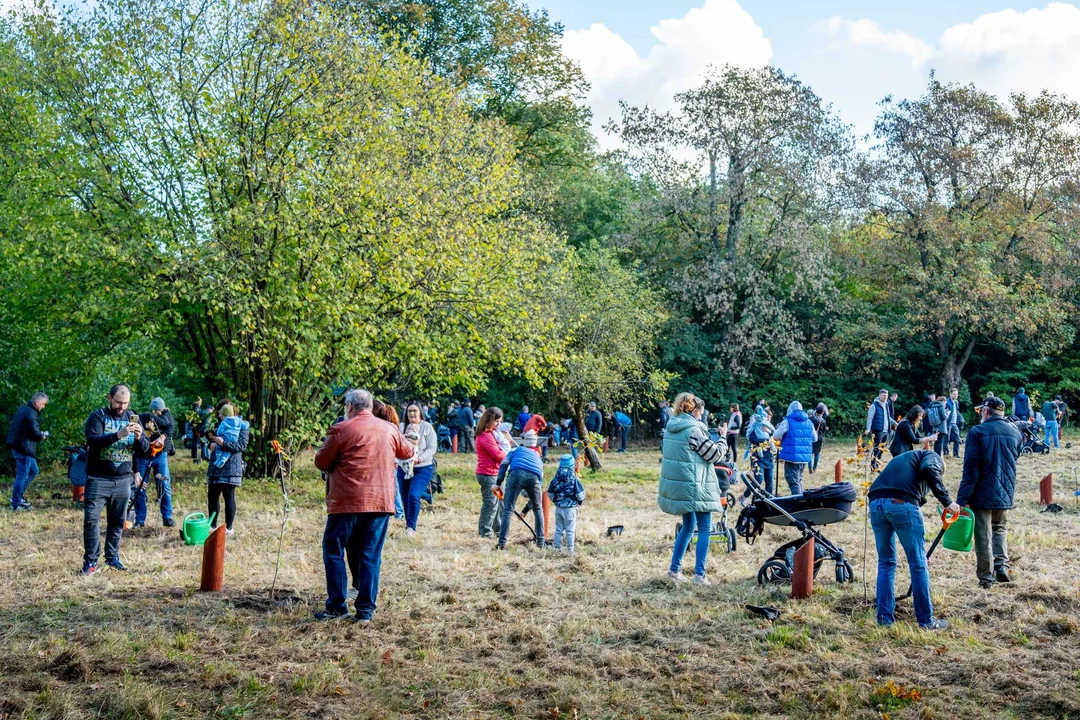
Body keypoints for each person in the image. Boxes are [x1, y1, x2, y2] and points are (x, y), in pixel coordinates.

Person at [314, 389, 413, 622]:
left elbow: (321, 461)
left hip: (347, 502)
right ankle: (366, 611)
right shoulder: (389, 429)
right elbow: (407, 451)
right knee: (370, 555)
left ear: (349, 406)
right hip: (380, 502)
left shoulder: (341, 429)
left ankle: (337, 606)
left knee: (334, 550)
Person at [868, 450, 959, 630]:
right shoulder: (932, 458)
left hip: (876, 503)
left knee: (886, 562)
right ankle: (926, 622)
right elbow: (929, 470)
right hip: (900, 503)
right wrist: (947, 501)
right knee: (918, 565)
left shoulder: (906, 459)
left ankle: (884, 620)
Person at [659, 393, 728, 586]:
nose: (701, 417)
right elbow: (714, 455)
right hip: (695, 485)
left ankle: (674, 569)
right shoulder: (693, 430)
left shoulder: (671, 427)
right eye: (701, 413)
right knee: (705, 527)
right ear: (693, 410)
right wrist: (723, 438)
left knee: (688, 526)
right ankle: (700, 575)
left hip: (681, 486)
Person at [82, 385, 149, 574]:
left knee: (117, 522)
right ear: (109, 398)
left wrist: (139, 437)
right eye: (118, 403)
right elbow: (93, 441)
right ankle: (91, 562)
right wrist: (119, 434)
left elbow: (144, 449)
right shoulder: (97, 417)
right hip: (98, 478)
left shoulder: (132, 417)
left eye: (125, 404)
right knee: (91, 521)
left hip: (123, 480)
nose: (122, 407)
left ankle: (112, 558)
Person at [956, 396, 1021, 589]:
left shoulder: (977, 432)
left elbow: (971, 469)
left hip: (981, 492)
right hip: (1005, 491)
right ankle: (1001, 565)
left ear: (986, 411)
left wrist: (962, 499)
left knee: (983, 534)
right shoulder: (1015, 433)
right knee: (999, 528)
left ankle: (986, 578)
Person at [496, 430, 545, 549]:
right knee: (538, 509)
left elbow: (504, 464)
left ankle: (502, 544)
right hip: (535, 477)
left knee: (508, 509)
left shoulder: (515, 450)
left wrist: (498, 483)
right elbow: (539, 484)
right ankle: (541, 543)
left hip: (516, 474)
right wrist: (526, 510)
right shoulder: (538, 457)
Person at [205, 402, 249, 536]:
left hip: (231, 465)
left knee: (228, 495)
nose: (219, 415)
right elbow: (212, 439)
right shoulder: (219, 423)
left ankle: (229, 528)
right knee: (212, 495)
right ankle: (212, 526)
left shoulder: (242, 425)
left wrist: (223, 443)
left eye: (221, 412)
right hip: (216, 464)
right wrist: (212, 443)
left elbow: (241, 445)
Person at [132, 397, 176, 528]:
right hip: (142, 456)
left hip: (160, 455)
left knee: (164, 484)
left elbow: (170, 427)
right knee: (140, 487)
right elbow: (133, 443)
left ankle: (167, 517)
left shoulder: (167, 417)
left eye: (158, 410)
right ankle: (140, 520)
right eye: (155, 410)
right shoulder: (141, 418)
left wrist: (162, 438)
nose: (156, 412)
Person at [397, 403, 437, 538]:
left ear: (420, 412)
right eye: (409, 411)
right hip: (404, 467)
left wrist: (419, 459)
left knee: (414, 495)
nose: (412, 414)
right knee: (405, 497)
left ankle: (411, 527)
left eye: (414, 411)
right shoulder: (402, 427)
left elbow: (432, 448)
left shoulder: (427, 427)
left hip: (422, 467)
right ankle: (408, 524)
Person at [7, 392, 48, 511]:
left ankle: (18, 496)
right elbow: (34, 433)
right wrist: (41, 436)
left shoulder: (23, 409)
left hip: (19, 445)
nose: (43, 407)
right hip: (23, 448)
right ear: (37, 402)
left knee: (34, 471)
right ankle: (16, 503)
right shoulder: (31, 413)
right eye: (43, 404)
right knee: (22, 475)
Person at [475, 407, 507, 539]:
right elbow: (497, 454)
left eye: (500, 421)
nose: (498, 424)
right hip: (488, 474)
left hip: (496, 473)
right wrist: (509, 455)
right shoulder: (485, 436)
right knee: (491, 504)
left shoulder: (493, 433)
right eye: (496, 421)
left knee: (501, 503)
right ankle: (485, 532)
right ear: (489, 420)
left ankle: (498, 529)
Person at [773, 401, 816, 496]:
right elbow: (815, 438)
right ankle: (801, 499)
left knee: (792, 480)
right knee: (798, 479)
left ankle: (799, 502)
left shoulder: (787, 421)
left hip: (791, 456)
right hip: (805, 457)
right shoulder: (809, 422)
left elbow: (776, 436)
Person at [547, 454, 585, 554]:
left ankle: (557, 549)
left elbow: (550, 493)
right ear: (572, 465)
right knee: (570, 530)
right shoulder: (574, 479)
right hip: (570, 509)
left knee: (558, 529)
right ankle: (570, 551)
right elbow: (580, 495)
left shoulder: (555, 478)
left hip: (559, 508)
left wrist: (556, 500)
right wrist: (579, 501)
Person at [743, 407, 775, 500]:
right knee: (758, 480)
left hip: (768, 456)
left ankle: (769, 501)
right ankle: (745, 497)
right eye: (767, 417)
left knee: (769, 481)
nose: (768, 419)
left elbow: (776, 437)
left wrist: (770, 432)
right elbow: (750, 437)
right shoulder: (755, 425)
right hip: (757, 455)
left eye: (770, 417)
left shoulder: (769, 427)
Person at [866, 389, 894, 471]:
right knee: (876, 449)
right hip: (877, 430)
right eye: (883, 395)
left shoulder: (886, 405)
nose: (885, 397)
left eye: (886, 395)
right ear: (879, 395)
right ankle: (873, 466)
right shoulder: (874, 405)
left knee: (881, 449)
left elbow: (888, 417)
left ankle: (877, 464)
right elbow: (870, 418)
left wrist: (894, 423)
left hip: (886, 430)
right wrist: (868, 428)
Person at [808, 404, 827, 474]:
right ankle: (815, 468)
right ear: (822, 412)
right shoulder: (823, 421)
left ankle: (810, 468)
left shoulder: (810, 419)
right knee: (817, 453)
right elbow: (824, 431)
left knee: (810, 453)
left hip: (811, 437)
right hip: (819, 438)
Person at [945, 388, 961, 459]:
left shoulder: (956, 402)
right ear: (950, 394)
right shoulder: (947, 402)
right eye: (954, 394)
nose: (955, 396)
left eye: (956, 394)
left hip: (954, 423)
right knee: (946, 439)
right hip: (948, 423)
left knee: (957, 438)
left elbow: (956, 412)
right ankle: (946, 453)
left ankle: (956, 454)